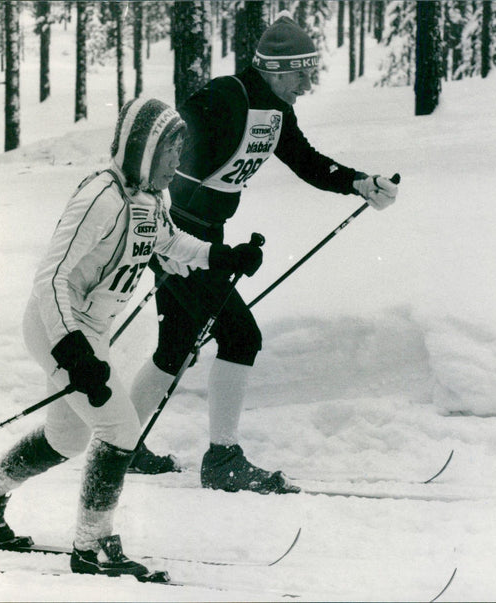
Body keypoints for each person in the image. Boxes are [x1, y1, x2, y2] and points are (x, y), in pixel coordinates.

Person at [0, 97, 263, 581]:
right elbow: (51, 278)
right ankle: (94, 544)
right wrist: (73, 351)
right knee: (119, 429)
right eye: (171, 153)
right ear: (144, 149)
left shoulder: (148, 198)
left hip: (88, 332)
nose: (178, 164)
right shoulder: (100, 197)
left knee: (67, 436)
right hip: (59, 327)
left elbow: (168, 241)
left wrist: (222, 257)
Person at [129, 13, 399, 495]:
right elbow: (163, 148)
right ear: (276, 69)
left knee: (175, 348)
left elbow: (308, 162)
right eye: (301, 73)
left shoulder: (274, 111)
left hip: (207, 239)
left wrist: (359, 182)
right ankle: (222, 458)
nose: (307, 82)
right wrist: (161, 233)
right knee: (240, 336)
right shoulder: (223, 98)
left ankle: (120, 445)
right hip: (180, 241)